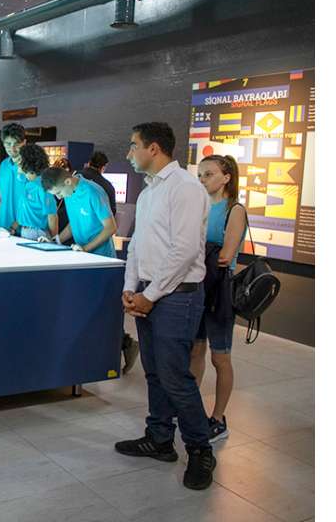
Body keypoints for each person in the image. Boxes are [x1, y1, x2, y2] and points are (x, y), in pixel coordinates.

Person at [115, 121, 215, 491]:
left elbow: (184, 250)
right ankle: (159, 438)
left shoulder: (185, 187)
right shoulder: (149, 191)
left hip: (177, 297)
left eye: (133, 145)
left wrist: (150, 294)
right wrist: (130, 287)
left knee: (175, 376)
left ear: (153, 148)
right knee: (155, 373)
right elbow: (138, 245)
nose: (129, 153)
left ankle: (201, 449)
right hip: (150, 291)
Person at [191, 154, 247, 443]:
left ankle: (218, 418)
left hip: (219, 292)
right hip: (198, 287)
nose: (203, 180)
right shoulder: (200, 206)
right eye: (200, 175)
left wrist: (193, 252)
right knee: (195, 351)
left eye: (209, 174)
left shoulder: (234, 210)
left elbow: (225, 256)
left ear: (226, 178)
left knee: (220, 356)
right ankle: (190, 410)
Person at [79, 151, 139, 372]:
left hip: (89, 249)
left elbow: (109, 224)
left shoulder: (83, 183)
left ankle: (118, 345)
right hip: (94, 252)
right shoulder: (105, 186)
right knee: (101, 305)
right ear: (103, 166)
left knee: (97, 306)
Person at [40, 166, 117, 257]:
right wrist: (54, 241)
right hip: (82, 253)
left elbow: (110, 227)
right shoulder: (69, 192)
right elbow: (74, 224)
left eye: (58, 193)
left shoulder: (93, 192)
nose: (59, 197)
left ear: (68, 182)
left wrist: (85, 248)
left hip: (102, 256)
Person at [16, 144, 58, 240]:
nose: (17, 162)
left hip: (37, 233)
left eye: (19, 159)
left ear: (28, 162)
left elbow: (52, 216)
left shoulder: (42, 186)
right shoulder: (28, 183)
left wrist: (54, 240)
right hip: (25, 230)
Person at [0, 123, 28, 233]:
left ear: (24, 143)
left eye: (16, 144)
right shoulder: (4, 165)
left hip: (24, 228)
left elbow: (35, 202)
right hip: (3, 225)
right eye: (8, 144)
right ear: (3, 143)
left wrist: (15, 226)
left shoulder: (31, 166)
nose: (12, 148)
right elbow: (2, 196)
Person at [80, 151, 117, 216]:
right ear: (103, 167)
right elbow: (111, 212)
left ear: (89, 163)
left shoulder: (74, 176)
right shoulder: (108, 186)